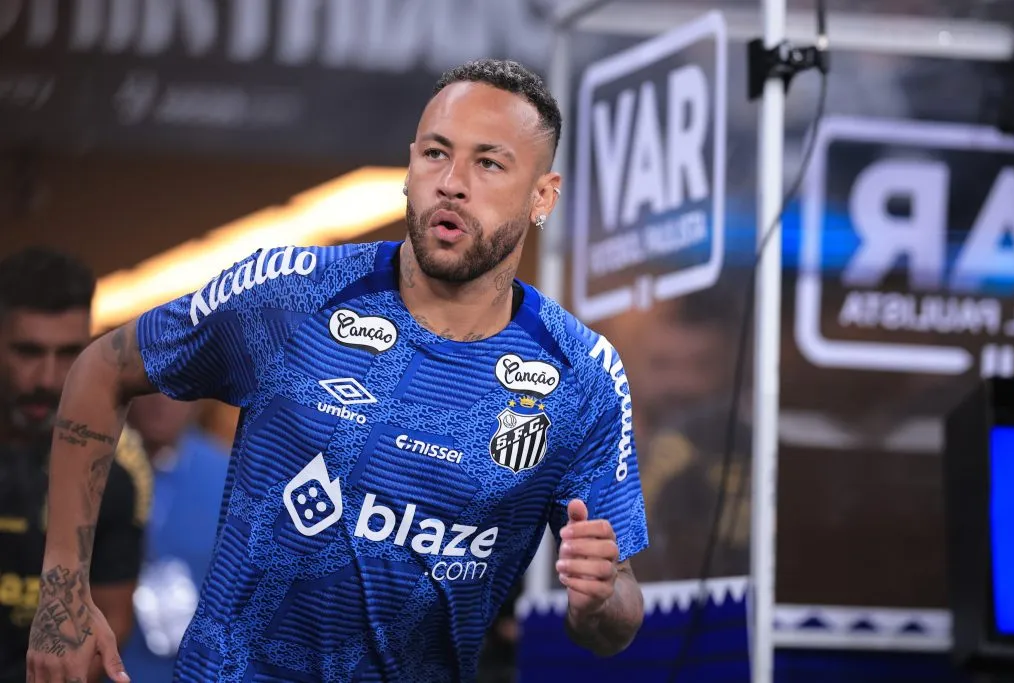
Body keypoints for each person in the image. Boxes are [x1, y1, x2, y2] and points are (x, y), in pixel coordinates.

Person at [27, 58, 649, 683]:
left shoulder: (582, 377)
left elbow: (617, 618)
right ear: (410, 165)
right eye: (436, 153)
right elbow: (99, 371)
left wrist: (599, 598)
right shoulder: (291, 295)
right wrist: (62, 595)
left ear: (543, 194)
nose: (452, 182)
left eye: (489, 163)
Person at [0, 247, 150, 683]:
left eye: (69, 354)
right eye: (27, 352)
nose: (48, 378)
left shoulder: (117, 473)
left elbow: (111, 623)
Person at [118, 394, 228, 682]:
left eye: (179, 388)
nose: (162, 402)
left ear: (202, 398)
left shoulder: (233, 477)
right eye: (151, 387)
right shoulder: (91, 467)